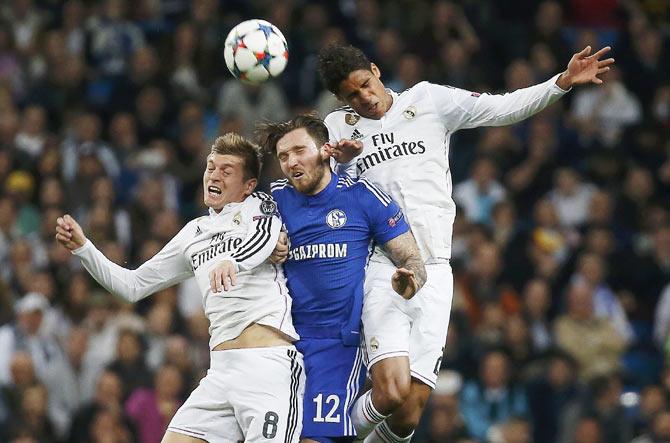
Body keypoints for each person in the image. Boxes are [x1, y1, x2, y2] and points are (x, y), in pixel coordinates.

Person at [313, 42, 615, 442]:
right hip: (382, 268)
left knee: (408, 414)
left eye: (365, 85)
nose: (364, 98)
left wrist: (560, 83)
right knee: (389, 390)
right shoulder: (336, 130)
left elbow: (500, 108)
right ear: (339, 99)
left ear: (376, 69)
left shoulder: (428, 100)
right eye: (351, 95)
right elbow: (313, 188)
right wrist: (340, 163)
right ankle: (319, 434)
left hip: (436, 270)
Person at [55, 133, 305, 443]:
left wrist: (234, 261)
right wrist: (84, 249)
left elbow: (266, 237)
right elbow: (132, 287)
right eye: (211, 167)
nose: (214, 175)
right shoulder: (193, 233)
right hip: (220, 370)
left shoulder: (261, 206)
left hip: (267, 364)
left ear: (248, 185)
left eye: (227, 171)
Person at [258, 114, 426, 443]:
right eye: (282, 156)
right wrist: (264, 242)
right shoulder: (274, 201)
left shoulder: (363, 197)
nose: (291, 162)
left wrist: (411, 281)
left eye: (299, 151)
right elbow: (238, 234)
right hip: (277, 342)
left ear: (325, 150)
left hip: (333, 345)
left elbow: (412, 258)